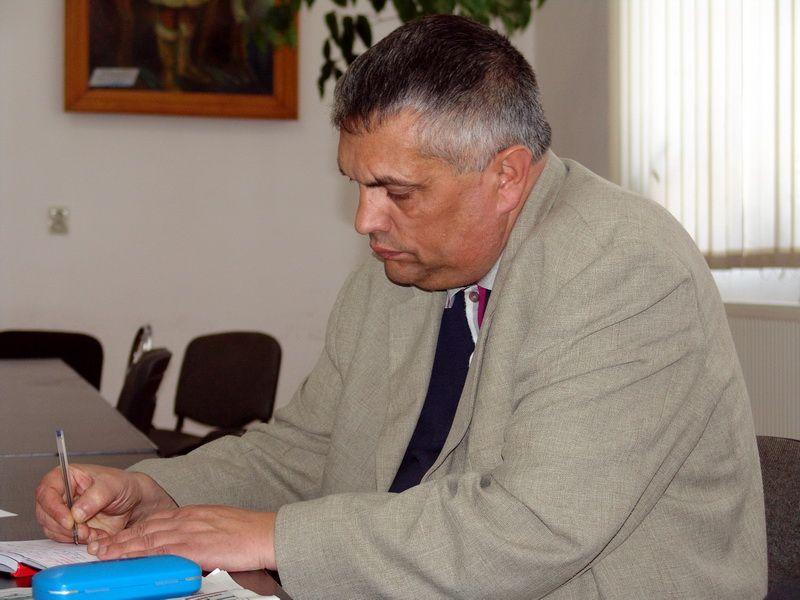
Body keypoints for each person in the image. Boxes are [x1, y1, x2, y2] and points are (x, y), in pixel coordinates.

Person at [36, 15, 767, 599]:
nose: (365, 220)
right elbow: (307, 449)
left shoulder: (622, 266)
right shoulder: (402, 273)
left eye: (397, 192)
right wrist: (157, 491)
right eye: (357, 185)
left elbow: (531, 529)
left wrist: (270, 538)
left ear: (507, 176)